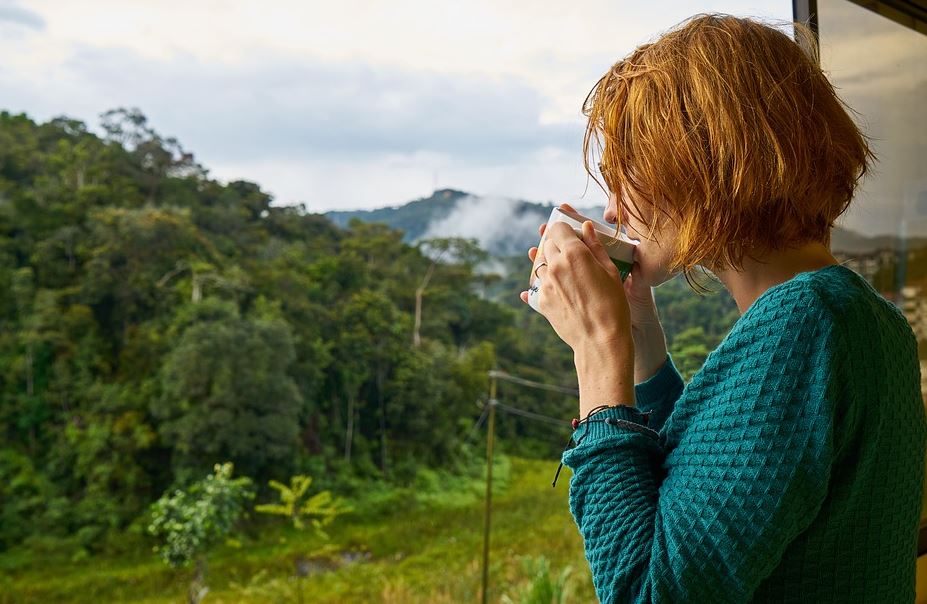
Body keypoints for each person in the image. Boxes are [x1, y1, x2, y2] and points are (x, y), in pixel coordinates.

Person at [518, 13, 926, 603]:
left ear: (698, 164)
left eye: (623, 177)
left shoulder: (803, 326)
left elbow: (646, 591)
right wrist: (640, 344)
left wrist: (597, 351)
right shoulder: (859, 316)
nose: (610, 211)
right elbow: (714, 489)